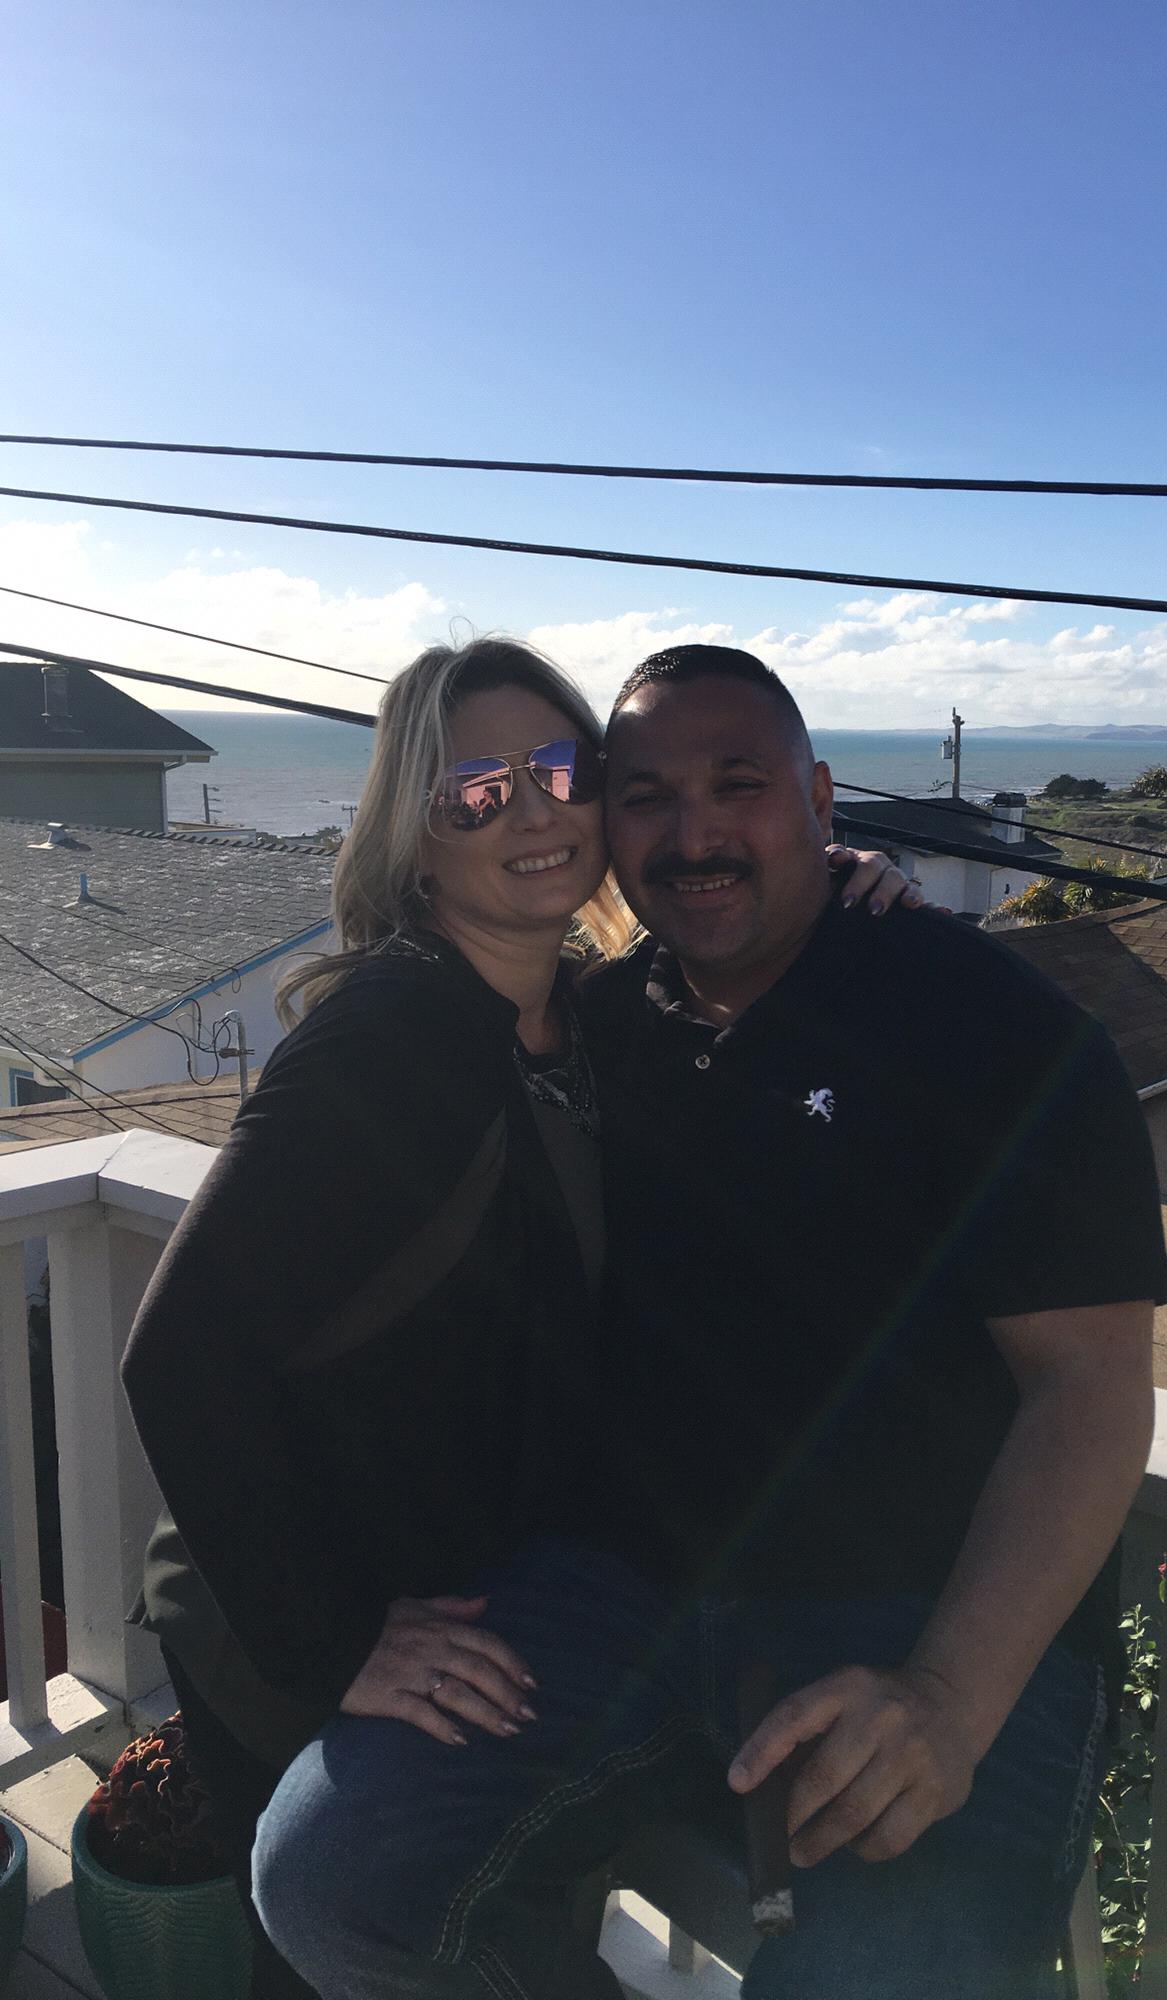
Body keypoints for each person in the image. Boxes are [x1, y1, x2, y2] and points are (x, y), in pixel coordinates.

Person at [249, 645, 1167, 1999]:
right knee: (330, 1878)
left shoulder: (997, 1034)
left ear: (821, 801)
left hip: (923, 1620)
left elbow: (1088, 1389)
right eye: (646, 796)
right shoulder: (594, 1026)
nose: (694, 835)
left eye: (741, 785)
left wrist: (947, 1696)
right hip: (623, 1597)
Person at [120, 633, 914, 1999]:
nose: (534, 810)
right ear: (419, 838)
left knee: (485, 1930)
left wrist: (823, 884)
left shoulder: (582, 1015)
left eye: (559, 769)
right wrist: (336, 1638)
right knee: (336, 1942)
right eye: (477, 791)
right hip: (307, 1605)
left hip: (485, 1597)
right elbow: (180, 1352)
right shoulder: (393, 1036)